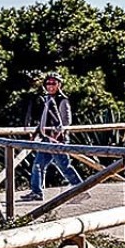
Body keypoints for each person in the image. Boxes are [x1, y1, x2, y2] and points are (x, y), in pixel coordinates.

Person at [22, 71, 82, 199]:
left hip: (57, 140)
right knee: (38, 165)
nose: (50, 86)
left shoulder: (62, 100)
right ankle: (36, 192)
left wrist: (57, 135)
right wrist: (36, 133)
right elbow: (44, 119)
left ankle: (80, 188)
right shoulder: (47, 99)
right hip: (46, 139)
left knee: (64, 166)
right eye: (48, 83)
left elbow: (66, 121)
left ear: (59, 85)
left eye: (53, 83)